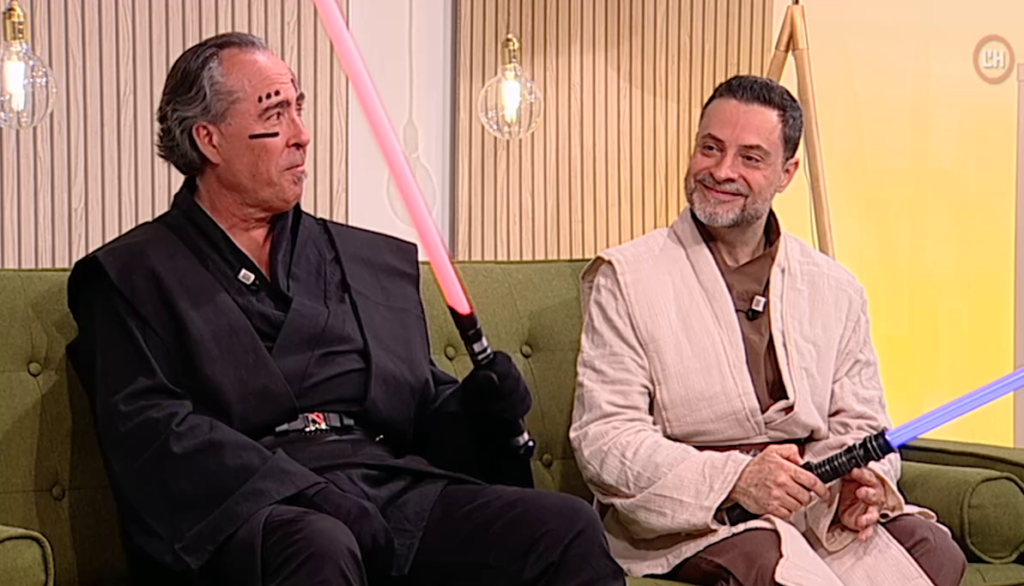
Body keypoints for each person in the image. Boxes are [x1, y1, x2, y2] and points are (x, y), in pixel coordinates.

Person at [66, 32, 625, 586]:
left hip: (386, 487)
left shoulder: (357, 262)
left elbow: (420, 413)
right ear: (209, 140)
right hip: (252, 510)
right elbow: (155, 434)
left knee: (563, 527)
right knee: (321, 541)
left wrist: (479, 409)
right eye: (275, 114)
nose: (301, 135)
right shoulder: (131, 276)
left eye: (299, 109)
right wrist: (306, 492)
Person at [568, 75, 967, 586]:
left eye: (750, 158)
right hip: (696, 519)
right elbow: (605, 437)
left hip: (812, 509)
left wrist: (856, 483)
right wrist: (736, 479)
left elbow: (861, 422)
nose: (721, 171)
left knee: (932, 550)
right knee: (768, 563)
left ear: (786, 173)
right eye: (710, 148)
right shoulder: (626, 277)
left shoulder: (836, 288)